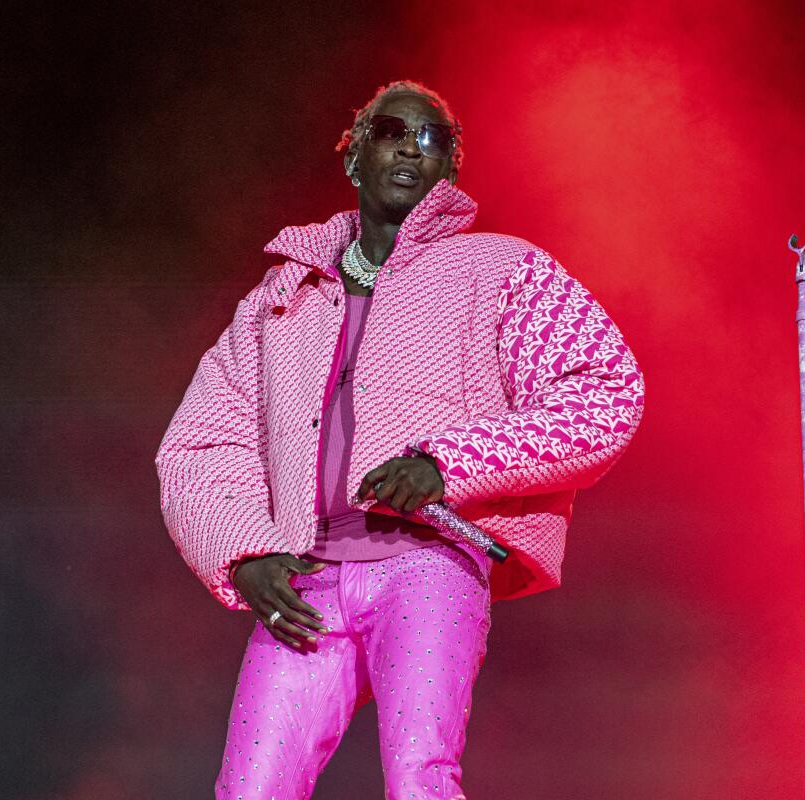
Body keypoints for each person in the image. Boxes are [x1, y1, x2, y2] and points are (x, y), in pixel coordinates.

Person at [155, 79, 645, 799]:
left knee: (420, 781)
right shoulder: (280, 296)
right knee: (248, 791)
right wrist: (244, 555)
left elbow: (605, 392)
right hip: (305, 581)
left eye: (435, 138)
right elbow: (201, 442)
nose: (413, 148)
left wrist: (448, 464)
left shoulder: (500, 269)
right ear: (354, 157)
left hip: (427, 566)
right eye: (392, 131)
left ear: (450, 168)